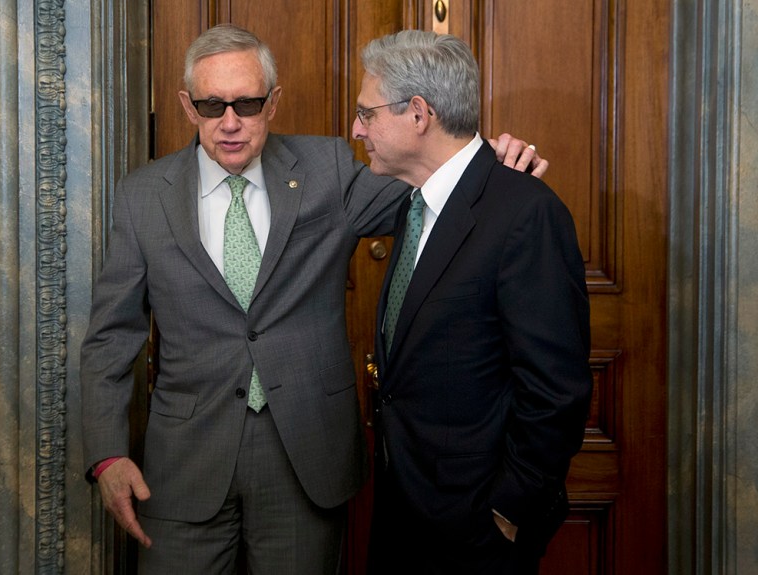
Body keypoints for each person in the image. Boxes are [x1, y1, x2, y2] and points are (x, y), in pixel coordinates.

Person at [80, 23, 547, 575]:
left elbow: (435, 176)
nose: (230, 123)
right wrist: (107, 455)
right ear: (187, 106)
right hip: (185, 464)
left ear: (273, 102)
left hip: (305, 459)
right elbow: (112, 338)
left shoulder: (326, 169)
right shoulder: (142, 198)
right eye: (212, 106)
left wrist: (494, 162)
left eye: (248, 104)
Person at [353, 30, 593, 575]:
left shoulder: (525, 213)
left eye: (366, 113)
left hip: (479, 529)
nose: (356, 129)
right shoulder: (410, 206)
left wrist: (510, 508)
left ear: (419, 114)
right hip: (404, 510)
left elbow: (557, 391)